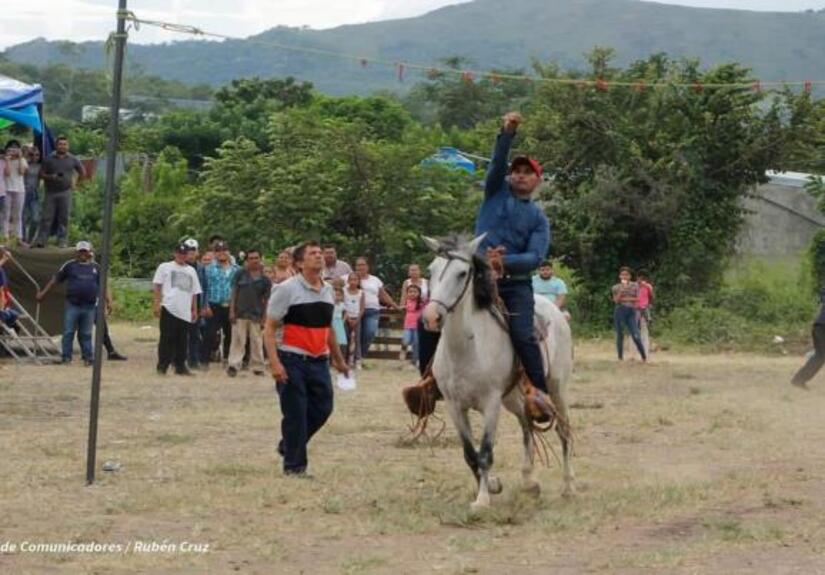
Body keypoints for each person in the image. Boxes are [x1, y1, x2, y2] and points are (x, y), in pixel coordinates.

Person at [412, 111, 554, 422]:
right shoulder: (494, 191)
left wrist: (504, 261)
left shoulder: (539, 219)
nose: (520, 175)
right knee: (430, 318)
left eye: (527, 173)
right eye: (516, 171)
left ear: (537, 181)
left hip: (515, 285)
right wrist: (507, 133)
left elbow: (535, 257)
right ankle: (428, 383)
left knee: (524, 334)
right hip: (476, 280)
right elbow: (497, 163)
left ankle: (539, 394)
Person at [263, 241, 349, 477]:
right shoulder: (286, 289)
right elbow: (269, 329)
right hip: (292, 360)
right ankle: (295, 467)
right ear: (299, 263)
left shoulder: (328, 290)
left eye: (320, 253)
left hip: (319, 361)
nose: (319, 256)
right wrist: (275, 363)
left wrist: (339, 360)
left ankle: (289, 444)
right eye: (312, 254)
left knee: (323, 408)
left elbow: (328, 328)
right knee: (296, 414)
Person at [36, 241, 105, 365]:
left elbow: (103, 285)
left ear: (89, 253)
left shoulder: (96, 267)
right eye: (80, 251)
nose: (82, 253)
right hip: (73, 304)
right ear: (76, 253)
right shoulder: (69, 265)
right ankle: (66, 357)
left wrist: (109, 301)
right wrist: (43, 293)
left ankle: (88, 358)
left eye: (85, 251)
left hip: (89, 305)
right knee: (68, 332)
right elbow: (55, 280)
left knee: (86, 333)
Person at [152, 243, 202, 376]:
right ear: (175, 253)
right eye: (179, 253)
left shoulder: (191, 271)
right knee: (167, 338)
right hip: (169, 307)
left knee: (182, 340)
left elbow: (194, 292)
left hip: (184, 310)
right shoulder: (165, 267)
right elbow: (157, 286)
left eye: (184, 254)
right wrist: (157, 303)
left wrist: (194, 309)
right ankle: (162, 365)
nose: (182, 256)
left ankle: (180, 365)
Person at [227, 248, 271, 377]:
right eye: (251, 258)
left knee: (257, 341)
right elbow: (234, 293)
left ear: (260, 259)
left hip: (256, 315)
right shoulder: (240, 274)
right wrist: (232, 311)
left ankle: (258, 367)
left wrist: (264, 317)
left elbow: (266, 300)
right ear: (247, 260)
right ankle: (233, 365)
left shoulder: (265, 279)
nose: (254, 261)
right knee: (238, 341)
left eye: (256, 258)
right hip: (240, 313)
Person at [35, 135, 85, 248]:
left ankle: (62, 240)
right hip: (50, 192)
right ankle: (42, 240)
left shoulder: (73, 159)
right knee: (46, 217)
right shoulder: (48, 158)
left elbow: (82, 172)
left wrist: (76, 183)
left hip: (65, 192)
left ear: (68, 146)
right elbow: (41, 174)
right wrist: (51, 176)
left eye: (64, 144)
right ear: (56, 145)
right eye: (60, 144)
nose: (62, 146)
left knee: (64, 217)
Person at [348, 257, 399, 363]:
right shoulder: (350, 278)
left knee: (370, 333)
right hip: (355, 311)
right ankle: (353, 358)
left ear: (367, 266)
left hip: (372, 311)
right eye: (358, 265)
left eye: (363, 265)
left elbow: (383, 295)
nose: (360, 267)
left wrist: (395, 306)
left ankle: (360, 356)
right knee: (355, 336)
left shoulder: (375, 280)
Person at [202, 240, 239, 367]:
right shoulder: (208, 269)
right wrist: (205, 305)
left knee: (230, 334)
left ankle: (227, 359)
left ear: (229, 252)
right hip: (214, 305)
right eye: (218, 251)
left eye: (224, 250)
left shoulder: (237, 269)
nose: (221, 253)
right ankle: (205, 360)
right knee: (210, 333)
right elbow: (204, 288)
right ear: (214, 253)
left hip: (231, 306)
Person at [612, 266, 647, 363]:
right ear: (619, 276)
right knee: (620, 334)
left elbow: (638, 299)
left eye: (626, 275)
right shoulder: (616, 287)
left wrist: (624, 299)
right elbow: (616, 300)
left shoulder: (635, 286)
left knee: (636, 334)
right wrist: (622, 291)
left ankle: (644, 357)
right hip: (619, 311)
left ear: (630, 276)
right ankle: (620, 357)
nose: (624, 277)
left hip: (631, 311)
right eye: (622, 275)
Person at [3, 140, 28, 245]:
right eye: (11, 148)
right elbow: (7, 173)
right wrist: (7, 160)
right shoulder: (3, 161)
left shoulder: (23, 160)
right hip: (6, 189)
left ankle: (18, 237)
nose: (13, 150)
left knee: (17, 215)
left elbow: (21, 172)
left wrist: (20, 157)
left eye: (15, 148)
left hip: (19, 189)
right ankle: (5, 237)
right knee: (6, 214)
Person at [343, 272, 365, 367]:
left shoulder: (361, 293)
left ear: (358, 281)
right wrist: (347, 318)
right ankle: (345, 359)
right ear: (348, 281)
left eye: (355, 280)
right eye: (351, 279)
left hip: (357, 319)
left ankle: (357, 359)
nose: (353, 282)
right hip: (346, 318)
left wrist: (357, 319)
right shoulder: (344, 291)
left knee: (357, 339)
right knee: (345, 338)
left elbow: (362, 308)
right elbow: (343, 305)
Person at [400, 284, 424, 366]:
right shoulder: (407, 301)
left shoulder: (422, 303)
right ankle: (402, 356)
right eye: (410, 292)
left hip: (417, 327)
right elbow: (403, 307)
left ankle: (414, 360)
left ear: (419, 293)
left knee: (416, 343)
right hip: (408, 326)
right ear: (407, 293)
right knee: (405, 341)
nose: (412, 293)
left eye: (415, 292)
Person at [22, 145, 42, 244]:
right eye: (32, 154)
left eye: (37, 155)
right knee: (23, 217)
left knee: (35, 218)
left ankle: (30, 238)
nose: (34, 157)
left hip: (34, 193)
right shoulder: (24, 164)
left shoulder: (40, 166)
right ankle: (23, 238)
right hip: (23, 191)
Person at [636, 270, 655, 358]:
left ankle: (646, 352)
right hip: (636, 309)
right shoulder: (634, 286)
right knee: (635, 329)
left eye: (643, 278)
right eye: (639, 278)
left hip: (644, 308)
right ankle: (635, 352)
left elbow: (652, 297)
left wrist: (649, 304)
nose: (641, 280)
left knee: (645, 329)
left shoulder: (648, 286)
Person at [332, 284, 348, 361]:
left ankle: (338, 359)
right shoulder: (331, 304)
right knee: (332, 341)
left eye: (339, 295)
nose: (337, 297)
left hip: (339, 323)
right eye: (335, 295)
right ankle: (332, 359)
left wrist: (343, 320)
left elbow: (346, 312)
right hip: (332, 323)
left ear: (342, 296)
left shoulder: (342, 305)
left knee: (339, 342)